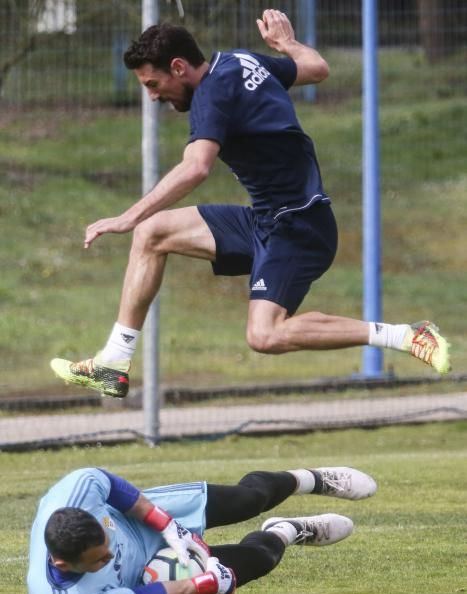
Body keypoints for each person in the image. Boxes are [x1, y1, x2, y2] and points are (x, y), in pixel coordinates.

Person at [50, 9, 450, 399]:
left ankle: (407, 335)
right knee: (152, 233)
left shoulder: (211, 94)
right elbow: (316, 69)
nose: (153, 96)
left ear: (178, 67)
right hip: (267, 219)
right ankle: (113, 362)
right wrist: (288, 45)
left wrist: (125, 216)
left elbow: (196, 168)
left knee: (265, 334)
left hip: (298, 228)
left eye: (153, 84)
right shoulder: (240, 61)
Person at [27, 463, 377, 594]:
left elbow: (106, 482)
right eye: (100, 560)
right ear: (63, 563)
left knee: (247, 500)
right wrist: (207, 583)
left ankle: (311, 479)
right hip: (145, 574)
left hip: (139, 519)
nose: (109, 554)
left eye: (107, 543)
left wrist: (165, 524)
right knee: (260, 559)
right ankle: (286, 530)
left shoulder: (73, 493)